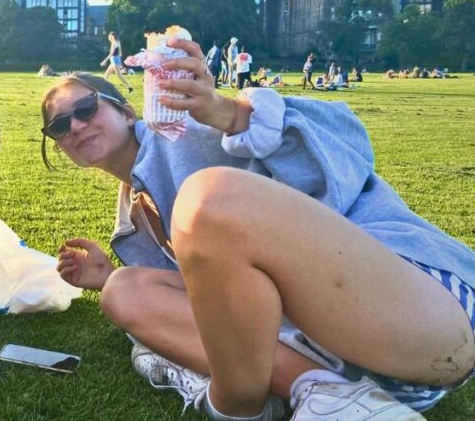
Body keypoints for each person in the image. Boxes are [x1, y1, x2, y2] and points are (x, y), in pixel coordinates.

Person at [41, 42, 475, 419]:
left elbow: (349, 145)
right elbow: (215, 302)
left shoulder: (190, 130)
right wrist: (104, 277)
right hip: (344, 368)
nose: (76, 125)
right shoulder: (131, 222)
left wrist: (227, 112)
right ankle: (326, 395)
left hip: (421, 314)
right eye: (60, 126)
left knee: (207, 197)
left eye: (85, 107)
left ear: (126, 109)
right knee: (124, 291)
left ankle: (231, 404)